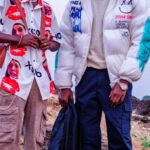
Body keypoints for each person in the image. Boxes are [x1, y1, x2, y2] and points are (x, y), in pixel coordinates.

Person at [55, 0, 149, 150]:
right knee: (86, 139)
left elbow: (142, 39)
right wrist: (64, 84)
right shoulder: (75, 2)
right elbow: (66, 42)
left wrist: (124, 81)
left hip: (115, 79)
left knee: (119, 138)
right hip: (85, 77)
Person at [0, 0, 61, 150]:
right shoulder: (6, 3)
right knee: (7, 137)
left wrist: (49, 43)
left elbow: (57, 42)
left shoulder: (46, 8)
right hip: (12, 79)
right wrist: (20, 39)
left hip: (40, 81)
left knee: (35, 139)